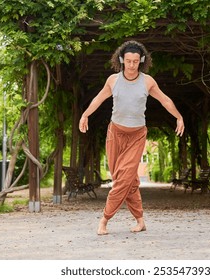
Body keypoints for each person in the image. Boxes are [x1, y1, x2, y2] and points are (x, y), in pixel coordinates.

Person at [79, 40, 184, 235]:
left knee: (123, 179)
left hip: (136, 135)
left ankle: (104, 219)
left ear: (141, 61)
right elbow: (98, 99)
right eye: (128, 61)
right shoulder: (113, 80)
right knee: (128, 179)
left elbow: (165, 100)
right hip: (115, 134)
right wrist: (85, 114)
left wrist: (178, 117)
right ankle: (140, 220)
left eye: (136, 61)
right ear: (121, 60)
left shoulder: (147, 81)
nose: (132, 65)